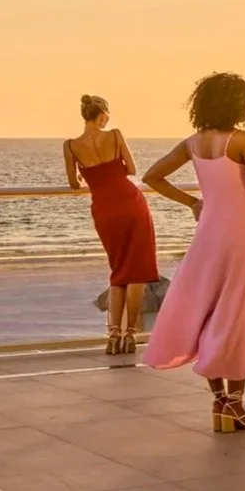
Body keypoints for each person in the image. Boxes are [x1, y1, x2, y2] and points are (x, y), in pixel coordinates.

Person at [142, 73, 245, 433]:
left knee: (207, 312)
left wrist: (193, 203)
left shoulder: (193, 143)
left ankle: (220, 403)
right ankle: (236, 406)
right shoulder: (242, 140)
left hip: (209, 233)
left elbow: (152, 176)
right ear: (238, 104)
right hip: (242, 234)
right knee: (237, 316)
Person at [63, 95, 159, 355]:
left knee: (118, 273)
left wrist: (89, 175)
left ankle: (112, 336)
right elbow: (131, 169)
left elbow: (73, 183)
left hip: (104, 209)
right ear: (102, 115)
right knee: (137, 273)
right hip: (131, 204)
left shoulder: (71, 146)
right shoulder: (115, 136)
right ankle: (130, 336)